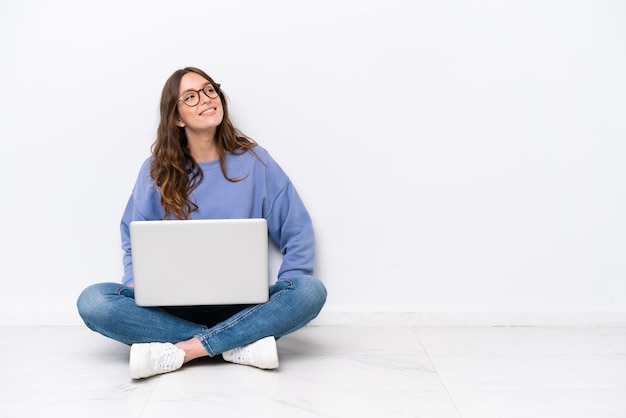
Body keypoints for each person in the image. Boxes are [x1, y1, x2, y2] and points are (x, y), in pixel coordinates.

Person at [76, 67, 327, 379]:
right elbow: (132, 235)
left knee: (310, 291)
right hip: (170, 306)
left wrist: (282, 298)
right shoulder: (155, 171)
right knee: (94, 301)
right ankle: (238, 342)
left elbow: (297, 230)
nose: (207, 99)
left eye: (210, 90)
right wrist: (133, 282)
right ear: (177, 117)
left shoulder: (255, 161)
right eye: (191, 97)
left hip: (242, 304)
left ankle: (185, 350)